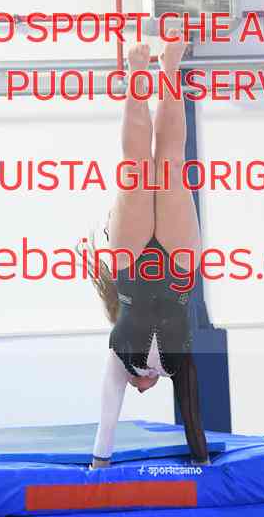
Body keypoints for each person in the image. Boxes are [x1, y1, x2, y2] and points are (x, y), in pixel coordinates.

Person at [87, 38, 209, 469]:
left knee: (140, 164)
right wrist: (202, 463)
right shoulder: (175, 362)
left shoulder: (121, 355)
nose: (141, 389)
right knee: (169, 163)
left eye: (138, 389)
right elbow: (192, 411)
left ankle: (142, 71)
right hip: (172, 263)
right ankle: (167, 67)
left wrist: (99, 464)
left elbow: (108, 410)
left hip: (137, 260)